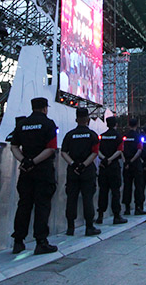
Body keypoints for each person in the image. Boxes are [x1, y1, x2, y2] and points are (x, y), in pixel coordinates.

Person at [10, 97, 59, 254]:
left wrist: (24, 161)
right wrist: (34, 162)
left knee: (24, 205)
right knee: (42, 206)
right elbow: (51, 148)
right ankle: (41, 242)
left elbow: (14, 146)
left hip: (26, 172)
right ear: (45, 108)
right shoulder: (48, 124)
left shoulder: (22, 124)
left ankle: (18, 241)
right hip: (43, 170)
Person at [61, 108, 103, 235]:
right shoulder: (92, 135)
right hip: (87, 171)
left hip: (73, 171)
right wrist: (84, 165)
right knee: (88, 198)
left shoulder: (69, 135)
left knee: (71, 198)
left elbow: (63, 152)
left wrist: (73, 164)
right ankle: (89, 227)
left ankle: (70, 227)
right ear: (88, 120)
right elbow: (95, 153)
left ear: (76, 119)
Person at [96, 116, 128, 224]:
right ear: (116, 124)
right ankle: (116, 215)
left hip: (103, 166)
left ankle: (100, 215)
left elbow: (97, 150)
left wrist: (104, 159)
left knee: (103, 191)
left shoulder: (102, 136)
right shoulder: (118, 136)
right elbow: (120, 151)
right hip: (113, 166)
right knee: (115, 192)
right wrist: (110, 159)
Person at [121, 118, 146, 216]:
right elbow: (139, 150)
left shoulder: (125, 137)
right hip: (135, 163)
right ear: (137, 125)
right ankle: (138, 207)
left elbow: (121, 150)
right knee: (138, 186)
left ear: (128, 125)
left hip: (126, 164)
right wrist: (132, 161)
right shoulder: (138, 137)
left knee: (127, 186)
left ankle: (127, 208)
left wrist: (126, 162)